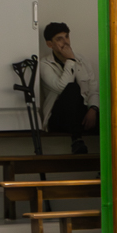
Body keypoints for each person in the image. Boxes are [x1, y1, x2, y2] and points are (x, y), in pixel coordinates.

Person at [40, 22, 99, 153]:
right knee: (72, 88)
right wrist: (70, 61)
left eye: (66, 37)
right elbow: (62, 88)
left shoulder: (82, 60)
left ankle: (107, 168)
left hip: (82, 114)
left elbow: (93, 88)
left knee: (108, 116)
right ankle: (76, 140)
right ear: (50, 44)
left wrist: (93, 109)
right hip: (59, 118)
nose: (65, 42)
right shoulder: (45, 65)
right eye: (59, 39)